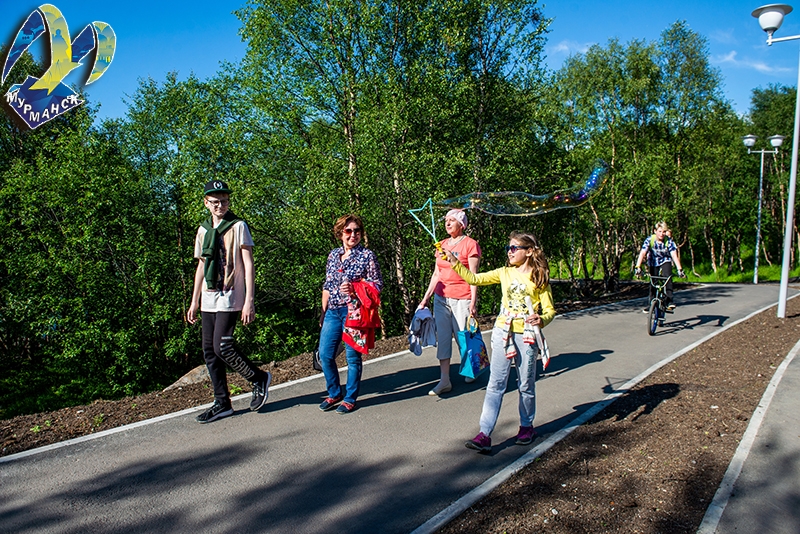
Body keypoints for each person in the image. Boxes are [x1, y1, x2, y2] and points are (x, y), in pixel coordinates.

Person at [444, 231, 556, 453]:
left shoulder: (539, 277)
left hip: (526, 336)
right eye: (508, 248)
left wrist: (541, 319)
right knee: (495, 384)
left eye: (514, 248)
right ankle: (484, 433)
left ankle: (526, 427)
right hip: (503, 333)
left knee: (525, 384)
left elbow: (550, 310)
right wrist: (455, 262)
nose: (510, 252)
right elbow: (475, 279)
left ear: (529, 251)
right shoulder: (504, 272)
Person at [187, 180, 272, 424]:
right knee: (209, 351)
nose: (220, 205)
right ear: (206, 203)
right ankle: (222, 403)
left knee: (222, 347)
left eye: (224, 201)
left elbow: (248, 263)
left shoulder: (238, 226)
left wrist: (249, 300)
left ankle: (258, 378)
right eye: (215, 202)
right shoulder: (203, 230)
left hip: (230, 294)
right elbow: (201, 265)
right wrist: (194, 301)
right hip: (209, 295)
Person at [318, 214, 383, 414]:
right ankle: (334, 392)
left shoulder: (367, 255)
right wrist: (323, 311)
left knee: (352, 358)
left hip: (354, 312)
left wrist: (355, 288)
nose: (353, 234)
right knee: (325, 355)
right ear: (340, 233)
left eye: (357, 231)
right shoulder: (333, 255)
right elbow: (328, 285)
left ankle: (350, 398)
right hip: (333, 310)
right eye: (348, 231)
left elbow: (377, 284)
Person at [418, 209, 481, 396]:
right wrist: (426, 298)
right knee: (444, 337)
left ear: (462, 224)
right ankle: (444, 380)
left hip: (462, 298)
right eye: (446, 220)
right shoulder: (442, 244)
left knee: (463, 336)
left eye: (452, 220)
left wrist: (473, 301)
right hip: (441, 298)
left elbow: (474, 276)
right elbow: (436, 273)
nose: (447, 223)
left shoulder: (470, 244)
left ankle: (470, 368)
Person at [635, 222, 685, 312]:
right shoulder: (650, 240)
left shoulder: (668, 241)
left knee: (667, 277)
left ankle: (669, 301)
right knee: (653, 281)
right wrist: (638, 267)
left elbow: (674, 255)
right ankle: (651, 303)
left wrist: (679, 269)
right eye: (660, 231)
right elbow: (642, 253)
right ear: (655, 231)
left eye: (664, 232)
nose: (661, 234)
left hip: (665, 260)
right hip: (653, 261)